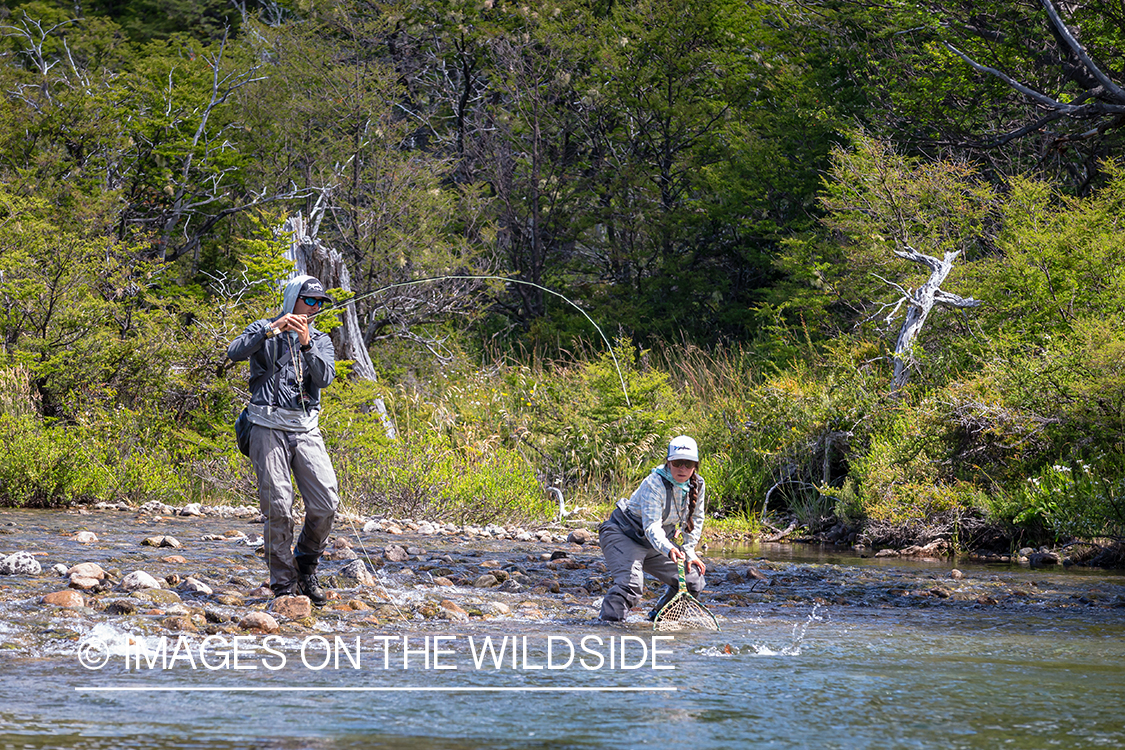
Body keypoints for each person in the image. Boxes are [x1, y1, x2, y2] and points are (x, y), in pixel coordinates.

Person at [227, 275, 340, 606]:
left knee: (326, 503)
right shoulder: (264, 327)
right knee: (278, 507)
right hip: (265, 425)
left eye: (320, 303)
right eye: (310, 300)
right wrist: (270, 329)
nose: (315, 308)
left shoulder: (321, 340)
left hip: (305, 428)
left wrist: (307, 344)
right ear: (293, 299)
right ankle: (284, 583)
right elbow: (235, 352)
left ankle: (306, 562)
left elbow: (325, 378)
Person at [598, 435, 707, 621]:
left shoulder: (699, 484)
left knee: (692, 581)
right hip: (623, 534)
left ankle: (660, 620)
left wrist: (689, 552)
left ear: (695, 466)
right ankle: (610, 628)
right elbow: (652, 526)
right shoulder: (653, 483)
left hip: (656, 542)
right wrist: (670, 548)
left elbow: (696, 518)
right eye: (678, 462)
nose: (683, 468)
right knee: (630, 586)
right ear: (668, 462)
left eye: (688, 464)